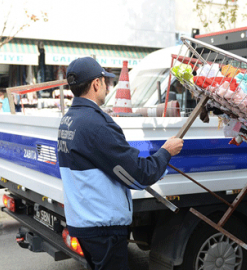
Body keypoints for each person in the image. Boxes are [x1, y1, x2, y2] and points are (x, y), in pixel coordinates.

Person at [57, 57, 183, 270]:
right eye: (105, 81)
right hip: (103, 227)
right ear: (96, 84)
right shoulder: (97, 125)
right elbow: (138, 176)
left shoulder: (68, 120)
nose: (107, 86)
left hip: (83, 222)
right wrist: (165, 153)